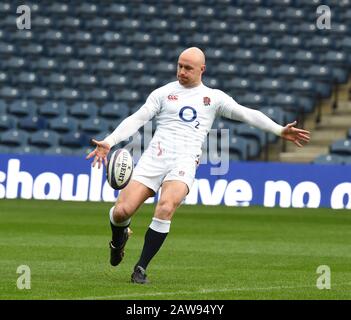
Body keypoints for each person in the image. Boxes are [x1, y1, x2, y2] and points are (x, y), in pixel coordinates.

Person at [86, 47, 311, 284]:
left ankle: (140, 268)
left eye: (188, 68)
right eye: (179, 66)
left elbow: (247, 114)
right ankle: (119, 239)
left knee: (165, 207)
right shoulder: (163, 93)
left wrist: (278, 129)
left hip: (183, 162)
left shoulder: (213, 98)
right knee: (121, 212)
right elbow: (138, 118)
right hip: (154, 158)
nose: (182, 72)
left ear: (202, 70)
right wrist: (109, 142)